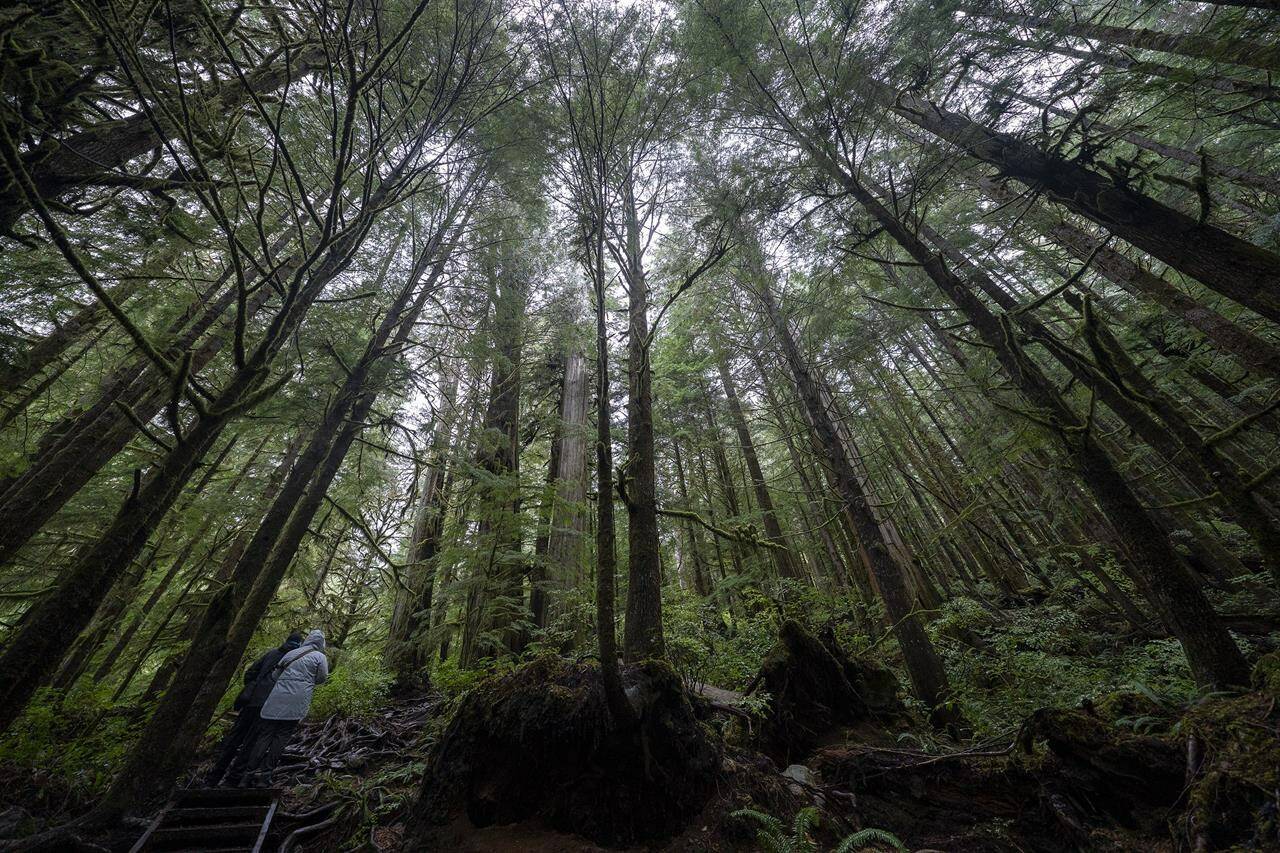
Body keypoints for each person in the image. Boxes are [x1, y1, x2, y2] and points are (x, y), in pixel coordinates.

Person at [203, 630, 302, 787]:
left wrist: (253, 688)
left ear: (286, 640)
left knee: (234, 739)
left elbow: (251, 672)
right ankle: (233, 779)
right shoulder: (295, 661)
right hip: (268, 707)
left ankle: (213, 778)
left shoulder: (271, 654)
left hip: (251, 703)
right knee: (251, 743)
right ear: (299, 645)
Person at [239, 628, 329, 787]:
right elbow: (321, 678)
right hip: (297, 701)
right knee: (282, 736)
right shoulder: (320, 657)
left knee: (264, 735)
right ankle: (265, 776)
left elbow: (275, 676)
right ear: (321, 643)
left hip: (276, 698)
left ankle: (247, 775)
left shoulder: (291, 654)